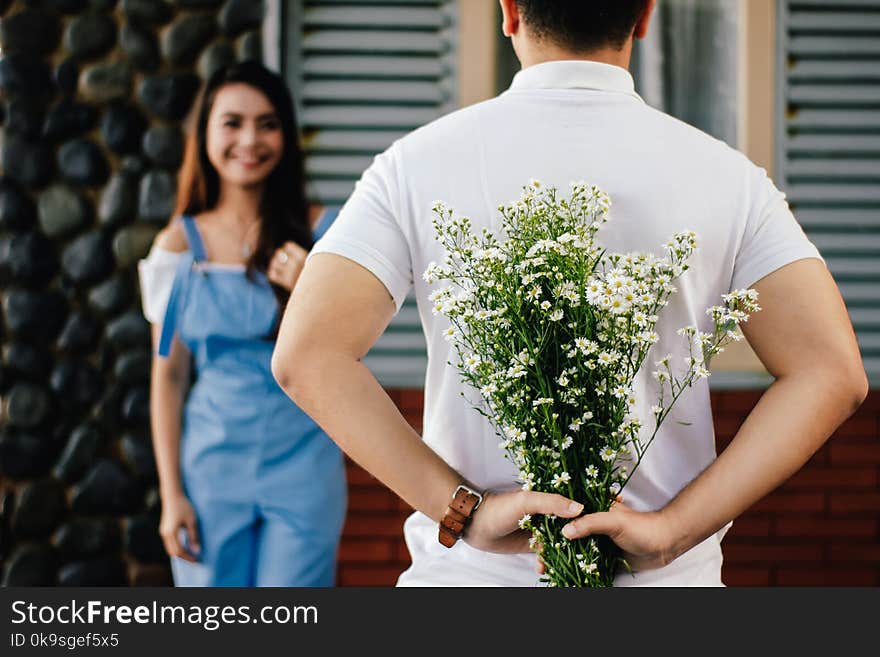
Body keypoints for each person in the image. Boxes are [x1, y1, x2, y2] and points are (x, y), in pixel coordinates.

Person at [271, 0, 868, 586]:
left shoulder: (414, 165)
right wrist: (673, 530)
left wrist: (463, 512)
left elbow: (307, 356)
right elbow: (832, 373)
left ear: (509, 12)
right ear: (644, 16)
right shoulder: (730, 178)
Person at [138, 61, 346, 587]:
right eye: (232, 122)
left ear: (287, 135)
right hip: (210, 471)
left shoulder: (326, 233)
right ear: (205, 132)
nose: (249, 139)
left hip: (305, 466)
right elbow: (168, 376)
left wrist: (310, 296)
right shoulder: (179, 245)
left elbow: (351, 356)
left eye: (268, 123)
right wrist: (171, 495)